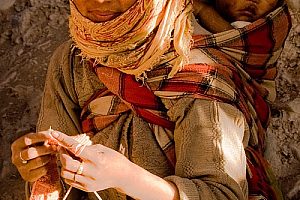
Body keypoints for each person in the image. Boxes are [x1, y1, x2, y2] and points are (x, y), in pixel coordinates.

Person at [10, 0, 291, 199]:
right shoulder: (70, 61)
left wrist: (128, 179)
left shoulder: (197, 72)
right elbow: (61, 179)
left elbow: (222, 193)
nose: (99, 1)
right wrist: (41, 167)